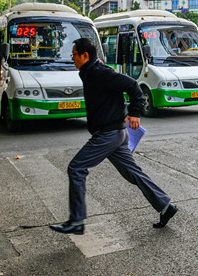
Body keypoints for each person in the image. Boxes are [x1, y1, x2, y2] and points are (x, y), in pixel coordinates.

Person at [50, 37, 177, 235]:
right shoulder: (90, 71)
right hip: (116, 134)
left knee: (76, 168)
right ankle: (165, 206)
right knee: (133, 173)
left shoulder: (100, 72)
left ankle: (76, 221)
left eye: (74, 54)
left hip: (108, 134)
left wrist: (135, 112)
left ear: (85, 56)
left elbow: (133, 86)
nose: (72, 58)